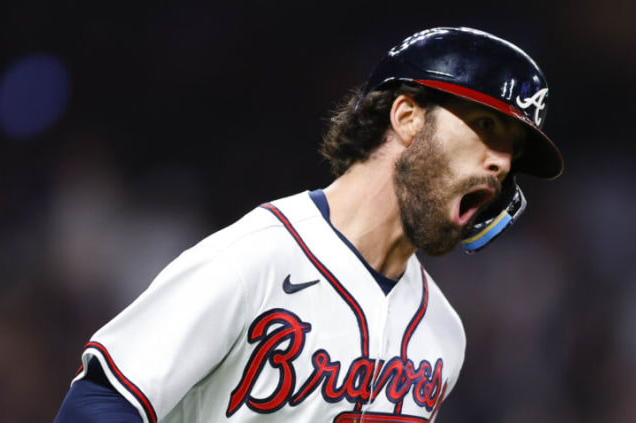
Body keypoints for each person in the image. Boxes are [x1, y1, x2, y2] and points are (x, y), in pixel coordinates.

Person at [54, 26, 564, 423]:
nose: (501, 162)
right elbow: (99, 403)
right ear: (408, 117)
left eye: (512, 151)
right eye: (487, 126)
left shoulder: (443, 334)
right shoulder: (254, 259)